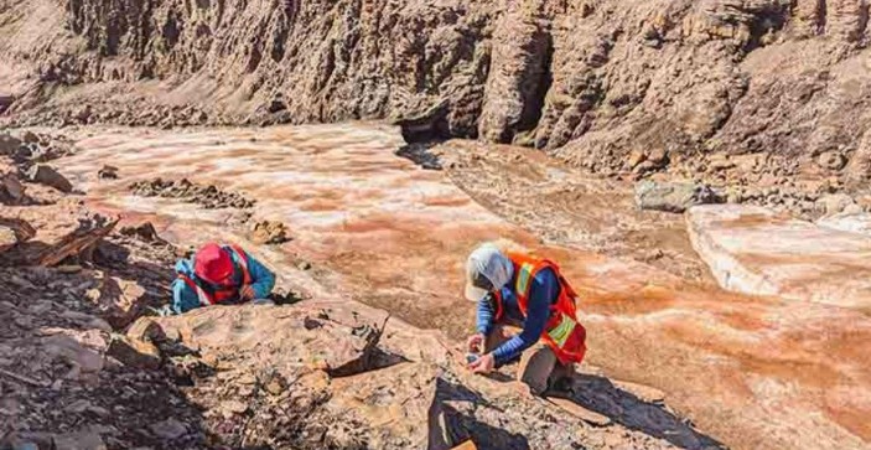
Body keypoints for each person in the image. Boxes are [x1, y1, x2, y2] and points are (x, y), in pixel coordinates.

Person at [464, 242, 587, 395]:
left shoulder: (540, 279)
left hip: (551, 334)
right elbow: (486, 304)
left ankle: (559, 371)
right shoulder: (493, 273)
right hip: (524, 323)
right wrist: (482, 331)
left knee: (528, 384)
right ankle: (516, 354)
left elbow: (531, 334)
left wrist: (494, 357)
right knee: (483, 352)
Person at [170, 242, 276, 314]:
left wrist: (256, 289)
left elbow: (267, 277)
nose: (227, 282)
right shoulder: (185, 287)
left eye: (229, 275)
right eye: (219, 281)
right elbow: (187, 321)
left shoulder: (238, 257)